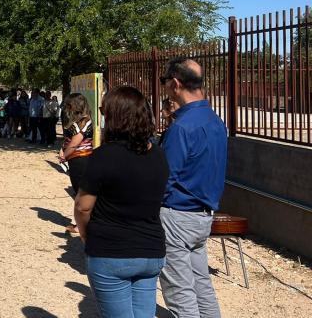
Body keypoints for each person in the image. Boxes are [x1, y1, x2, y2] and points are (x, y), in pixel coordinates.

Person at [74, 86, 169, 318]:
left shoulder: (104, 156)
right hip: (151, 250)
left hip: (111, 252)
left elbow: (83, 206)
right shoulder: (158, 154)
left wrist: (87, 235)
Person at [158, 57, 226, 318]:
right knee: (201, 285)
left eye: (166, 82)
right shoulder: (215, 121)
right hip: (202, 216)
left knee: (179, 292)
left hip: (177, 215)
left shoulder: (182, 127)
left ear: (175, 84)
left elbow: (166, 178)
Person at [60, 93, 95, 232]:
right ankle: (80, 223)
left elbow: (75, 142)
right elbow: (69, 140)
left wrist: (64, 155)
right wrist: (63, 150)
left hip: (82, 159)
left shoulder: (85, 121)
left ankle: (84, 224)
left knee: (82, 193)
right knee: (78, 192)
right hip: (75, 160)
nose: (67, 108)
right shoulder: (78, 119)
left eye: (69, 105)